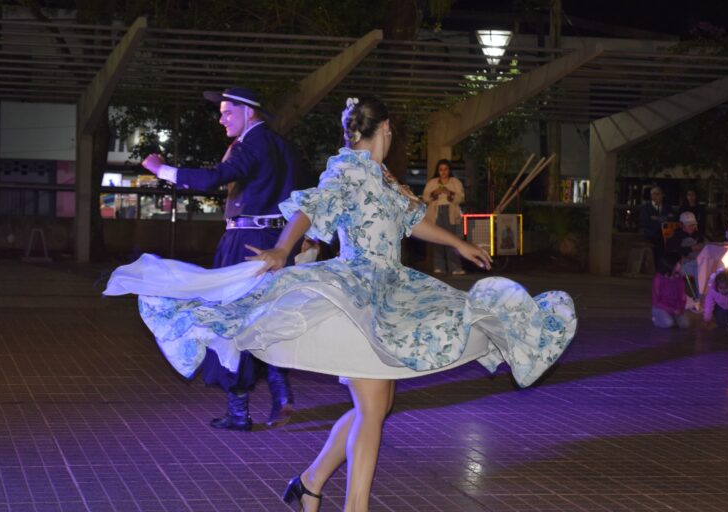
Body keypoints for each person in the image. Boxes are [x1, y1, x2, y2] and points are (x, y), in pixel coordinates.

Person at [105, 97, 577, 511]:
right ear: (385, 129)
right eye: (392, 131)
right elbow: (312, 207)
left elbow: (411, 223)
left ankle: (309, 484)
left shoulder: (384, 177)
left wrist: (457, 244)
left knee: (380, 406)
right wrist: (283, 249)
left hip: (393, 292)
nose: (393, 137)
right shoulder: (347, 169)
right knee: (373, 411)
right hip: (357, 297)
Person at [141, 87, 312, 431]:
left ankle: (240, 411)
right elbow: (306, 193)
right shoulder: (281, 145)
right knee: (262, 317)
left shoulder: (254, 143)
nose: (221, 119)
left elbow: (216, 177)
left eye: (227, 112)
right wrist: (306, 240)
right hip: (275, 241)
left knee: (231, 319)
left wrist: (162, 170)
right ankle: (280, 393)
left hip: (245, 241)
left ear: (249, 112)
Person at [422, 159, 466, 275]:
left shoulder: (455, 182)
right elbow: (425, 198)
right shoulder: (432, 182)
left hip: (450, 212)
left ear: (449, 170)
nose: (443, 172)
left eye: (446, 169)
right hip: (436, 213)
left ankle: (455, 267)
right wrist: (434, 193)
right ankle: (439, 266)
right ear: (438, 171)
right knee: (437, 240)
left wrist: (449, 193)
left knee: (451, 239)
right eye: (441, 169)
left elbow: (461, 197)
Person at [666, 211, 705, 298]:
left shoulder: (698, 235)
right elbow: (671, 250)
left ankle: (707, 297)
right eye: (689, 224)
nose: (692, 226)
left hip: (697, 261)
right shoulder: (676, 235)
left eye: (693, 224)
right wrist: (691, 248)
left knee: (706, 267)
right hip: (681, 264)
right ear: (681, 225)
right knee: (700, 270)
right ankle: (701, 298)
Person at [651, 252, 690, 329]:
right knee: (668, 323)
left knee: (686, 324)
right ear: (671, 265)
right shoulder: (658, 279)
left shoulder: (679, 279)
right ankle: (657, 318)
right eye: (678, 263)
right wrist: (672, 310)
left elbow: (682, 296)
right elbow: (656, 301)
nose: (680, 265)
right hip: (661, 308)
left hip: (675, 309)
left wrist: (680, 309)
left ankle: (672, 318)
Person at [639, 186, 675, 267]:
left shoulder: (667, 207)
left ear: (662, 195)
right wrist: (662, 220)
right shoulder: (646, 208)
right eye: (653, 194)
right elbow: (645, 221)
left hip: (666, 234)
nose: (655, 196)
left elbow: (672, 219)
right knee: (658, 244)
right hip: (651, 233)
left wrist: (657, 218)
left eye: (657, 194)